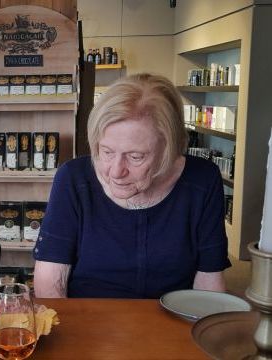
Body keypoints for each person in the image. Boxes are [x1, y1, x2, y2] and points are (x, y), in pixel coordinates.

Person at [33, 73, 231, 298]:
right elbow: (50, 279)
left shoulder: (202, 180)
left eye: (136, 157)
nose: (116, 171)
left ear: (170, 149)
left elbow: (209, 281)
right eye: (106, 152)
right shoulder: (73, 178)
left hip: (174, 322)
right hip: (88, 322)